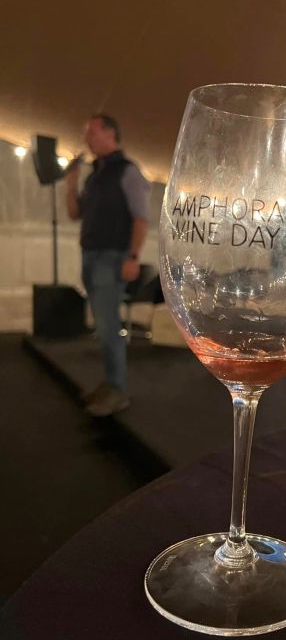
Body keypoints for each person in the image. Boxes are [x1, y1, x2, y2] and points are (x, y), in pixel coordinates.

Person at [65, 114, 151, 416]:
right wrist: (71, 183)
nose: (86, 139)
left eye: (91, 132)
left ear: (110, 134)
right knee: (103, 325)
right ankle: (111, 384)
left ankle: (118, 390)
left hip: (112, 257)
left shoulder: (127, 171)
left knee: (108, 324)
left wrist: (132, 256)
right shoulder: (95, 176)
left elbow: (141, 218)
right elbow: (75, 214)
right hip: (90, 255)